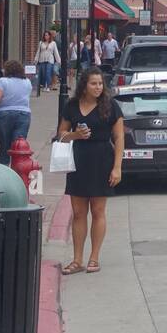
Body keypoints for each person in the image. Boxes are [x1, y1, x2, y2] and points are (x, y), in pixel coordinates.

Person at [56, 67, 123, 275]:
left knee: (98, 210)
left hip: (102, 158)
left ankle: (94, 257)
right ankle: (77, 259)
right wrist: (75, 135)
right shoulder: (72, 106)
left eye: (100, 84)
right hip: (78, 161)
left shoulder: (110, 106)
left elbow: (119, 138)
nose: (98, 87)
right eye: (93, 83)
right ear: (84, 85)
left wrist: (117, 168)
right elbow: (61, 135)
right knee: (78, 213)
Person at [0, 60, 34, 165]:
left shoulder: (2, 81)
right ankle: (17, 173)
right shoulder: (27, 82)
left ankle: (5, 173)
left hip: (4, 115)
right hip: (23, 115)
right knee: (18, 148)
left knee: (4, 147)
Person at [34, 31, 60, 97]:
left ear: (49, 36)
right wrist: (36, 60)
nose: (46, 36)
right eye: (45, 35)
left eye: (47, 35)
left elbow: (55, 52)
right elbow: (38, 52)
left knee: (48, 73)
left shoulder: (53, 43)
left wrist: (58, 61)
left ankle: (47, 86)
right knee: (43, 73)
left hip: (50, 60)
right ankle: (44, 86)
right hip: (42, 60)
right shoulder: (41, 43)